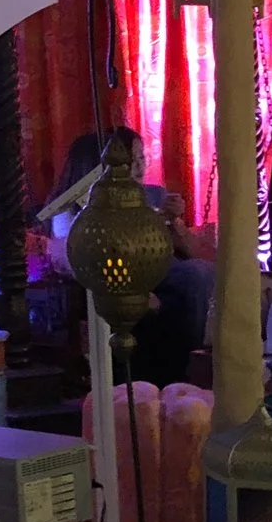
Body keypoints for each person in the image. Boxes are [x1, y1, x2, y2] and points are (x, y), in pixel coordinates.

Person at [48, 128, 210, 387]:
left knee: (201, 273)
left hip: (164, 272)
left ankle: (200, 369)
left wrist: (173, 220)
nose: (139, 167)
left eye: (142, 158)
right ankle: (183, 375)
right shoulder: (71, 208)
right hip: (128, 277)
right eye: (130, 161)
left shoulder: (150, 195)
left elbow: (194, 252)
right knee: (193, 278)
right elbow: (80, 257)